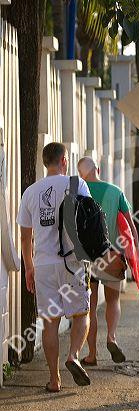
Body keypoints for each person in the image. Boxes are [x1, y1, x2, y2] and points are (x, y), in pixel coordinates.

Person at [17, 142, 92, 393]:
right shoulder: (76, 184)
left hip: (43, 265)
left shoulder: (30, 192)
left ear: (44, 162)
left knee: (50, 323)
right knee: (81, 313)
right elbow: (90, 220)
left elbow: (25, 238)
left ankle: (54, 379)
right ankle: (73, 355)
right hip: (72, 262)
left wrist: (29, 268)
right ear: (64, 160)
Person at [78, 157, 139, 366]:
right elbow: (131, 228)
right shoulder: (115, 191)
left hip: (86, 259)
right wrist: (136, 256)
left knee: (91, 307)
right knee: (113, 300)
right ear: (98, 169)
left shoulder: (77, 192)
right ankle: (111, 337)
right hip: (112, 256)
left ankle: (92, 354)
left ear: (80, 174)